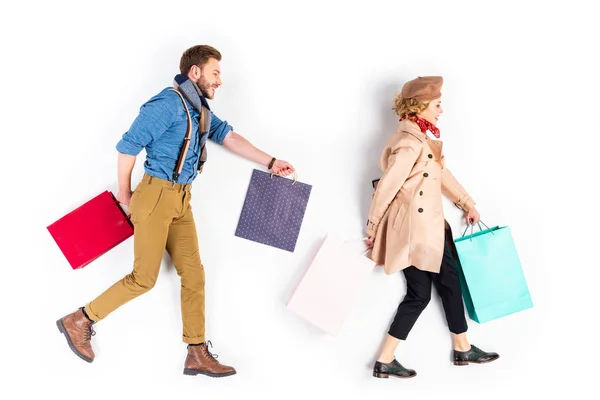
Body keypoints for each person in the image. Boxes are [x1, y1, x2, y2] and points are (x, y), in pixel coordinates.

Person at [56, 45, 295, 378]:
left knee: (194, 274)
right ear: (194, 72)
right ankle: (79, 319)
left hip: (181, 200)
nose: (220, 81)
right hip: (155, 195)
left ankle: (196, 353)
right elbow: (127, 147)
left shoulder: (200, 111)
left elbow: (229, 137)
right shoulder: (167, 103)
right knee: (144, 279)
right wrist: (125, 194)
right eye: (215, 73)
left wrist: (271, 161)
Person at [365, 76, 498, 379]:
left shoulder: (421, 139)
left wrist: (467, 202)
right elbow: (387, 186)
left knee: (421, 293)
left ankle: (386, 358)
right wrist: (372, 226)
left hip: (420, 230)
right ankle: (461, 347)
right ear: (421, 105)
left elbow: (441, 175)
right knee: (446, 285)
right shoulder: (411, 143)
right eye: (437, 104)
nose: (441, 110)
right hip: (420, 231)